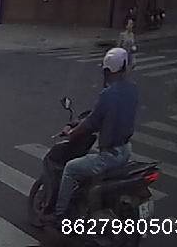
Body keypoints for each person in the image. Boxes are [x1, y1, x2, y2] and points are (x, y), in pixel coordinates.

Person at [47, 48, 138, 227]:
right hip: (126, 150)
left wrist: (73, 133)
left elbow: (91, 123)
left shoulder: (109, 94)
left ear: (107, 70)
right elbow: (105, 115)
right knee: (88, 162)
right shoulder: (132, 89)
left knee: (70, 168)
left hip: (109, 156)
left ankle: (60, 216)